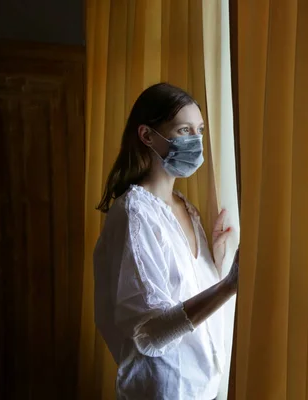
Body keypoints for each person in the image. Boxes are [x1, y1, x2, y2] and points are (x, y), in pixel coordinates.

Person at [93, 82, 238, 400]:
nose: (196, 142)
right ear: (147, 136)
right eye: (184, 130)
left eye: (199, 130)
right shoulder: (134, 213)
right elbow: (149, 334)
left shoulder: (186, 208)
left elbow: (189, 298)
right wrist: (229, 285)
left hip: (205, 390)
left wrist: (218, 262)